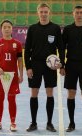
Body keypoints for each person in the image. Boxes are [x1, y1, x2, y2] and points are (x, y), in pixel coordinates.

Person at [24, 3, 63, 132]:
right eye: (41, 12)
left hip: (50, 67)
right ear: (38, 13)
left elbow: (61, 48)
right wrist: (28, 67)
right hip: (35, 65)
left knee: (49, 93)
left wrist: (61, 63)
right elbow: (27, 50)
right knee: (34, 93)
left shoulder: (55, 28)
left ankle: (49, 123)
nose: (43, 14)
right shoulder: (32, 28)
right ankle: (33, 123)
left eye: (46, 12)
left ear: (49, 13)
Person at [60, 5, 82, 133]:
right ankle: (71, 123)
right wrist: (62, 65)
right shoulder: (68, 29)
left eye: (81, 12)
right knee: (71, 94)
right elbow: (62, 48)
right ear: (73, 14)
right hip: (71, 65)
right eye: (77, 13)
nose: (79, 15)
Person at [0, 19, 23, 132]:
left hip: (13, 76)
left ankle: (13, 123)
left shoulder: (17, 44)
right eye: (4, 27)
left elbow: (20, 61)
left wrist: (21, 75)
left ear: (12, 29)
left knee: (11, 99)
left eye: (9, 27)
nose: (7, 29)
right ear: (1, 29)